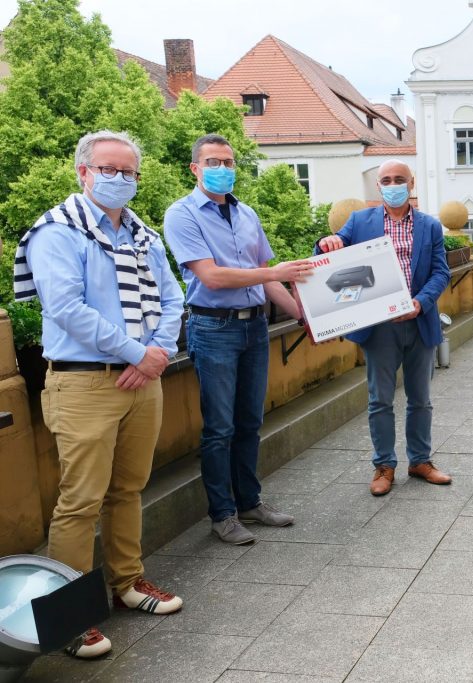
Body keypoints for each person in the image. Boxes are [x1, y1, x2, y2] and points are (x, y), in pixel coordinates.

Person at [13, 130, 185, 658]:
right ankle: (69, 616)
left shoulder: (143, 233)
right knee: (80, 502)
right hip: (85, 381)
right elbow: (66, 308)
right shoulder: (57, 231)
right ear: (83, 172)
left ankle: (127, 583)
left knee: (128, 488)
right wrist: (140, 354)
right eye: (108, 169)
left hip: (141, 379)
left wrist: (154, 353)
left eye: (129, 172)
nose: (120, 179)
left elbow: (173, 295)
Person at [163, 134, 312, 545]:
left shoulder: (246, 213)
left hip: (254, 327)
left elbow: (265, 274)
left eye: (229, 162)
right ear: (195, 168)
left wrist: (307, 316)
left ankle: (249, 501)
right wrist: (275, 274)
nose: (223, 169)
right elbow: (211, 276)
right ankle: (222, 514)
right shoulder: (181, 214)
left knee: (250, 421)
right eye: (213, 162)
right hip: (213, 328)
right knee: (219, 427)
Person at [315, 159, 452, 496]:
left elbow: (441, 272)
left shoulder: (430, 226)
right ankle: (384, 465)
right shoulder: (360, 221)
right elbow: (332, 249)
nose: (393, 185)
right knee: (380, 400)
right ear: (378, 186)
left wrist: (420, 302)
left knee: (421, 399)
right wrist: (327, 241)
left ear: (412, 183)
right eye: (387, 180)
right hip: (379, 327)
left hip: (419, 321)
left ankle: (420, 460)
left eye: (399, 179)